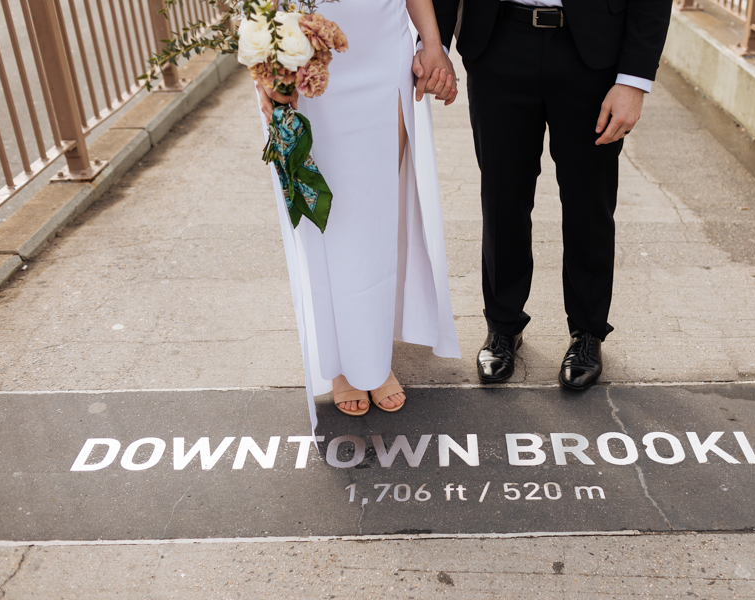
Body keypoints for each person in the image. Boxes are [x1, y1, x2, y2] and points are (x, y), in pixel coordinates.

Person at [421, 0, 671, 389]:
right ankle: (503, 326)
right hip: (499, 41)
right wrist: (432, 43)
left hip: (592, 52)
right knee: (502, 195)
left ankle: (588, 332)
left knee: (590, 200)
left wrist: (634, 79)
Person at [256, 0, 462, 424]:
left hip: (384, 50)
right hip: (303, 54)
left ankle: (371, 355)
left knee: (376, 212)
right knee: (327, 217)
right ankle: (340, 362)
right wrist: (264, 64)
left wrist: (434, 43)